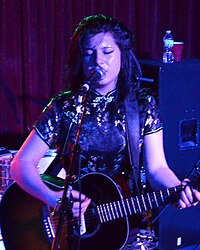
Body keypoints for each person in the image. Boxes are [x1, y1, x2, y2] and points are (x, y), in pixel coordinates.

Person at [10, 14, 200, 249]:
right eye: (89, 53)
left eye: (107, 52)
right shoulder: (66, 107)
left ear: (123, 54)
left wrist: (177, 190)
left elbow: (157, 168)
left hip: (130, 225)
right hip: (74, 231)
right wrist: (55, 199)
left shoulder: (142, 105)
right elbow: (20, 165)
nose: (98, 61)